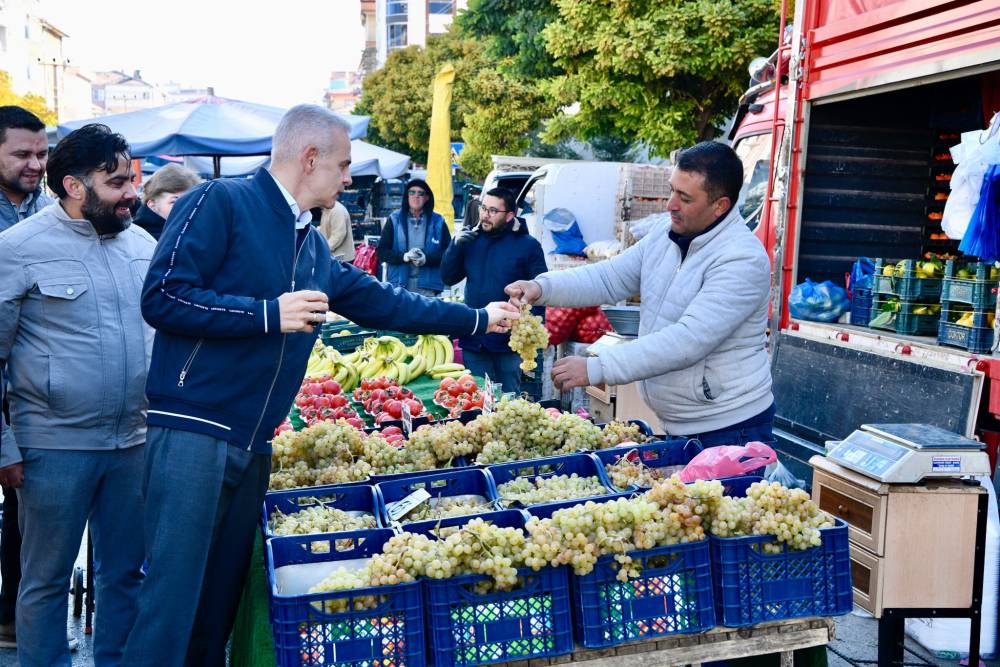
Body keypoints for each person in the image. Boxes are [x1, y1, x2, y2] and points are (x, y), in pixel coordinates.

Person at [123, 104, 517, 667]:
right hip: (193, 433)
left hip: (254, 443)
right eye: (343, 165)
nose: (348, 178)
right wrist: (266, 313)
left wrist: (478, 318)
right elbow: (162, 296)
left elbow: (386, 302)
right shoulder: (220, 202)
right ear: (310, 159)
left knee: (214, 611)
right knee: (169, 609)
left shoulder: (309, 244)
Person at [0, 124, 153, 667]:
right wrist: (4, 447)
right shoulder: (17, 250)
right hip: (52, 448)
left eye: (131, 180)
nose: (131, 192)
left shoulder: (143, 245)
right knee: (45, 582)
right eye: (116, 183)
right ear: (73, 185)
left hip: (133, 445)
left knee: (126, 576)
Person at [506, 141, 774, 445]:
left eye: (684, 198)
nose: (671, 204)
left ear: (720, 206)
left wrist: (598, 367)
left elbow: (687, 341)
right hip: (680, 421)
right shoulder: (665, 233)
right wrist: (542, 287)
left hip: (729, 427)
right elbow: (609, 278)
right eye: (672, 190)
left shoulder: (741, 259)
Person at [0, 105, 52, 651]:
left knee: (26, 512)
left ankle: (12, 614)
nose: (35, 163)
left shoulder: (49, 207)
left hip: (30, 395)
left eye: (41, 153)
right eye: (21, 154)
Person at [442, 187, 547, 393]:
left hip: (508, 343)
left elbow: (541, 291)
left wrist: (528, 336)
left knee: (509, 399)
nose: (485, 215)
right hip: (475, 338)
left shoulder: (528, 246)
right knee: (478, 400)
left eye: (492, 211)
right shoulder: (471, 240)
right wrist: (454, 247)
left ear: (509, 216)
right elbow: (448, 277)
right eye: (483, 208)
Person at [376, 178, 451, 295]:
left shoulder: (438, 222)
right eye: (412, 192)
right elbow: (381, 251)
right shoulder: (394, 219)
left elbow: (448, 252)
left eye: (421, 193)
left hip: (428, 288)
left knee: (427, 313)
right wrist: (403, 257)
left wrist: (427, 259)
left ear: (427, 198)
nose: (416, 196)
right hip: (400, 287)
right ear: (407, 196)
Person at [133, 163, 202, 240]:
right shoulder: (142, 238)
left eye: (189, 201)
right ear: (152, 204)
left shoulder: (189, 230)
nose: (185, 207)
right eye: (174, 202)